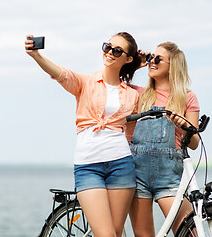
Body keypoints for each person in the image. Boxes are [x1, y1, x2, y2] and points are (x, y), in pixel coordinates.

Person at [25, 32, 142, 237]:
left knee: (116, 232)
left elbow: (130, 133)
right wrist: (36, 56)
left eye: (117, 51)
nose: (110, 53)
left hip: (121, 165)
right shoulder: (86, 83)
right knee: (106, 234)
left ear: (128, 58)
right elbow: (61, 73)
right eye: (107, 46)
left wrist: (146, 63)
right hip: (89, 166)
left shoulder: (132, 94)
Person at [128, 42, 200, 236]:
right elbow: (114, 84)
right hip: (137, 174)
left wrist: (184, 125)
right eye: (152, 57)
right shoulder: (138, 94)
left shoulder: (187, 98)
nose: (152, 61)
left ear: (172, 65)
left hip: (169, 177)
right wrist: (136, 64)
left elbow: (194, 144)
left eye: (158, 59)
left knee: (190, 233)